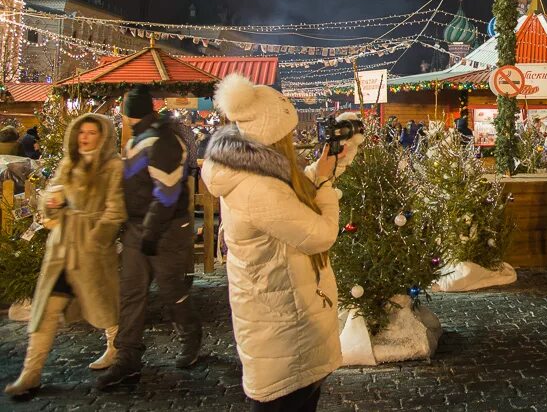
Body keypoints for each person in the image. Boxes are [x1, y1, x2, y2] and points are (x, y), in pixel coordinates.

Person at [201, 74, 362, 410]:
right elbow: (319, 234)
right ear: (273, 135)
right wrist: (328, 188)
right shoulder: (256, 187)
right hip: (283, 331)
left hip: (286, 317)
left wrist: (328, 165)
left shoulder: (252, 168)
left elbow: (293, 197)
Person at [5, 114, 126, 397]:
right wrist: (52, 203)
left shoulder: (113, 167)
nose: (85, 137)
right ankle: (31, 373)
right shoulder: (67, 164)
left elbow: (115, 211)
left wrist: (96, 239)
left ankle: (116, 351)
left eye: (91, 132)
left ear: (103, 136)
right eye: (81, 131)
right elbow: (49, 200)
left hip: (92, 251)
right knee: (45, 311)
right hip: (61, 250)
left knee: (104, 306)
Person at [96, 87, 201, 390]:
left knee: (172, 289)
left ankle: (190, 337)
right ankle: (127, 356)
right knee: (131, 293)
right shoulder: (137, 139)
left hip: (165, 230)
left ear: (128, 114)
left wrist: (151, 232)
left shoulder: (162, 140)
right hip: (139, 227)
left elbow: (166, 192)